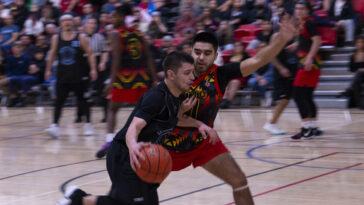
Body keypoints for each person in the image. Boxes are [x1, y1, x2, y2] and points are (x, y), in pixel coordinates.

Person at [163, 18, 296, 204]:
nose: (201, 57)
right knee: (145, 184)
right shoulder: (177, 73)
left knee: (239, 181)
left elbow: (258, 59)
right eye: (197, 52)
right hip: (170, 142)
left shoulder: (221, 74)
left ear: (216, 54)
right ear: (190, 51)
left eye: (207, 53)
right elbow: (163, 113)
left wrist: (281, 40)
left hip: (203, 142)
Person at [58, 51, 196, 205]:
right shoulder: (156, 97)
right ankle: (77, 199)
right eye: (187, 73)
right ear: (171, 74)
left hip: (144, 157)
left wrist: (193, 120)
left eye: (193, 72)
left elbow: (169, 121)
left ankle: (77, 196)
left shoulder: (177, 97)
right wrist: (134, 147)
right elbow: (134, 128)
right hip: (125, 154)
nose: (192, 77)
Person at [95, 4, 157, 158]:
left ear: (122, 17)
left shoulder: (116, 33)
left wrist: (111, 82)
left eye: (114, 16)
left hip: (124, 77)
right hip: (141, 77)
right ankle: (146, 140)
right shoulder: (139, 33)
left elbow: (116, 59)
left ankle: (110, 141)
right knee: (141, 112)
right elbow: (148, 57)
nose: (112, 19)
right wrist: (154, 78)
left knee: (112, 108)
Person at [44, 14, 97, 138]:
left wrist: (93, 69)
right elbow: (52, 55)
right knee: (58, 102)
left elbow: (90, 53)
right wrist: (48, 70)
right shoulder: (56, 38)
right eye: (64, 20)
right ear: (60, 23)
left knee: (83, 101)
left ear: (73, 22)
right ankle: (55, 126)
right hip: (63, 76)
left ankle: (88, 124)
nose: (67, 22)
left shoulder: (81, 37)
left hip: (79, 75)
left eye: (69, 20)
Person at [291, 0, 323, 140]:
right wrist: (296, 45)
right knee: (307, 95)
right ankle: (313, 126)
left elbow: (317, 40)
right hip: (311, 62)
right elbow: (308, 40)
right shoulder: (302, 23)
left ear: (308, 10)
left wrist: (309, 58)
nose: (299, 11)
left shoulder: (308, 22)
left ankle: (306, 128)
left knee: (298, 95)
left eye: (302, 8)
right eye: (297, 8)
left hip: (308, 63)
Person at [264, 12, 298, 135]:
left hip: (293, 68)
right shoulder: (276, 36)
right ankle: (271, 123)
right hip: (282, 70)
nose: (289, 21)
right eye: (285, 19)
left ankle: (309, 123)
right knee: (284, 99)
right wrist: (280, 68)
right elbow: (271, 55)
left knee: (290, 97)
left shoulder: (295, 34)